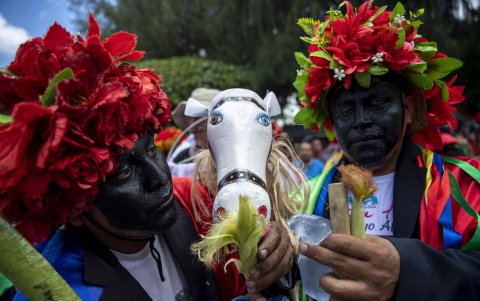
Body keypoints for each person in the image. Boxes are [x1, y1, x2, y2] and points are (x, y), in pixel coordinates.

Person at [0, 15, 291, 301]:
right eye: (124, 173)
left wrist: (277, 248)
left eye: (152, 151)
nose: (159, 177)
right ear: (73, 208)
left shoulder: (191, 200)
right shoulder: (61, 289)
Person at [290, 1, 480, 300]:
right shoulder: (303, 197)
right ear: (332, 121)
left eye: (378, 103)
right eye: (347, 110)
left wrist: (408, 271)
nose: (362, 121)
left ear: (408, 109)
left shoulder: (467, 188)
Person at [168, 88, 220, 177]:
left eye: (199, 117)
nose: (193, 124)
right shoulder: (181, 157)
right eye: (189, 117)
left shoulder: (230, 159)